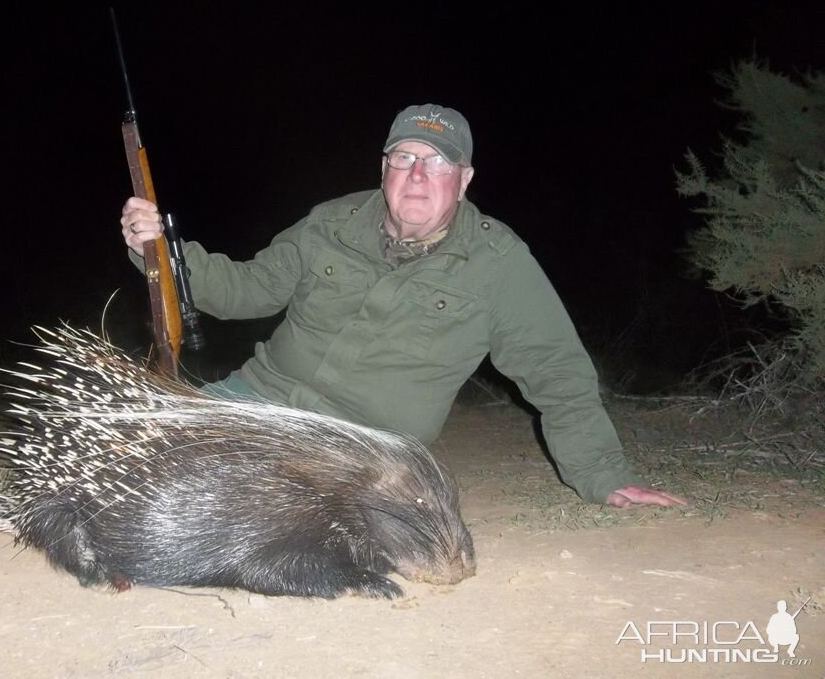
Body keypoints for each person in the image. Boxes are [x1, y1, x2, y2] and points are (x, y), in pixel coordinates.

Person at [121, 103, 686, 508]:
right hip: (258, 397)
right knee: (130, 440)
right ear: (384, 167)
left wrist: (604, 475)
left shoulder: (499, 261)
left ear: (463, 181)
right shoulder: (332, 220)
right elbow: (245, 290)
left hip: (364, 445)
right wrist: (161, 253)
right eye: (405, 158)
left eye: (437, 163)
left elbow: (556, 370)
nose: (418, 175)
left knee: (254, 505)